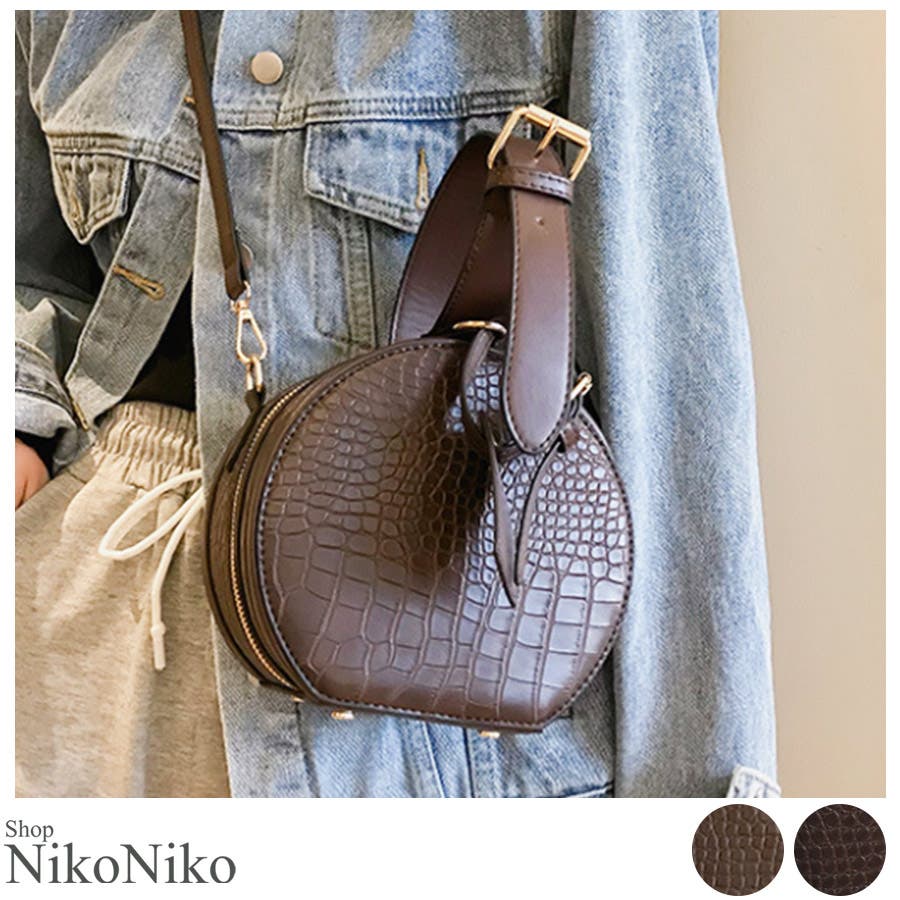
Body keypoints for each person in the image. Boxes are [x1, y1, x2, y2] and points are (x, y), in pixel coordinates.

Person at [14, 10, 779, 798]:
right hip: (83, 616)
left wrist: (707, 817)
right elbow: (33, 263)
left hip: (419, 676)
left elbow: (671, 381)